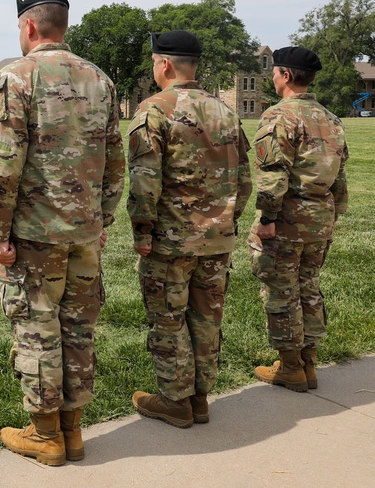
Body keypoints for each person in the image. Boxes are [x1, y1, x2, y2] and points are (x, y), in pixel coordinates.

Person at [0, 0, 125, 466]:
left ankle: (46, 436)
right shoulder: (100, 79)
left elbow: (5, 167)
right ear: (62, 26)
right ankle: (73, 431)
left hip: (36, 234)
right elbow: (115, 160)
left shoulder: (16, 77)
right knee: (79, 328)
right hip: (84, 231)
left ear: (28, 27)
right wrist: (102, 218)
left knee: (38, 326)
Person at [127, 31, 252, 428]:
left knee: (168, 318)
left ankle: (175, 401)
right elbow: (245, 180)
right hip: (217, 238)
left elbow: (145, 182)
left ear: (163, 64)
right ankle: (200, 399)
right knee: (206, 318)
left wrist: (142, 232)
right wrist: (227, 220)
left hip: (172, 239)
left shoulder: (155, 110)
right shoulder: (226, 112)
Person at [249, 46, 348, 392]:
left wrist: (266, 218)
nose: (273, 77)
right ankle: (309, 364)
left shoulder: (279, 116)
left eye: (275, 71)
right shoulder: (331, 119)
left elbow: (274, 174)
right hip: (321, 217)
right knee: (309, 287)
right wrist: (335, 213)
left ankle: (290, 367)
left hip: (288, 218)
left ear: (286, 76)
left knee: (281, 289)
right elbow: (340, 177)